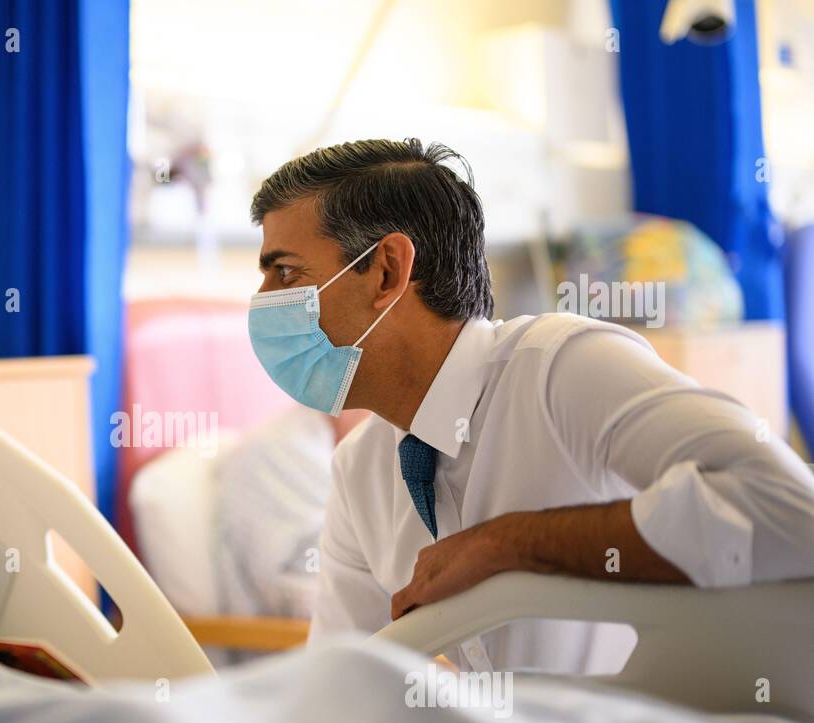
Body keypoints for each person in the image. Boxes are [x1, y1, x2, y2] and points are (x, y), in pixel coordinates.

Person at [247, 138, 814, 673]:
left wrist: (510, 543)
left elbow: (789, 513)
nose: (263, 300)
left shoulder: (563, 368)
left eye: (287, 271)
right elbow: (343, 682)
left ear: (388, 270)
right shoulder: (364, 468)